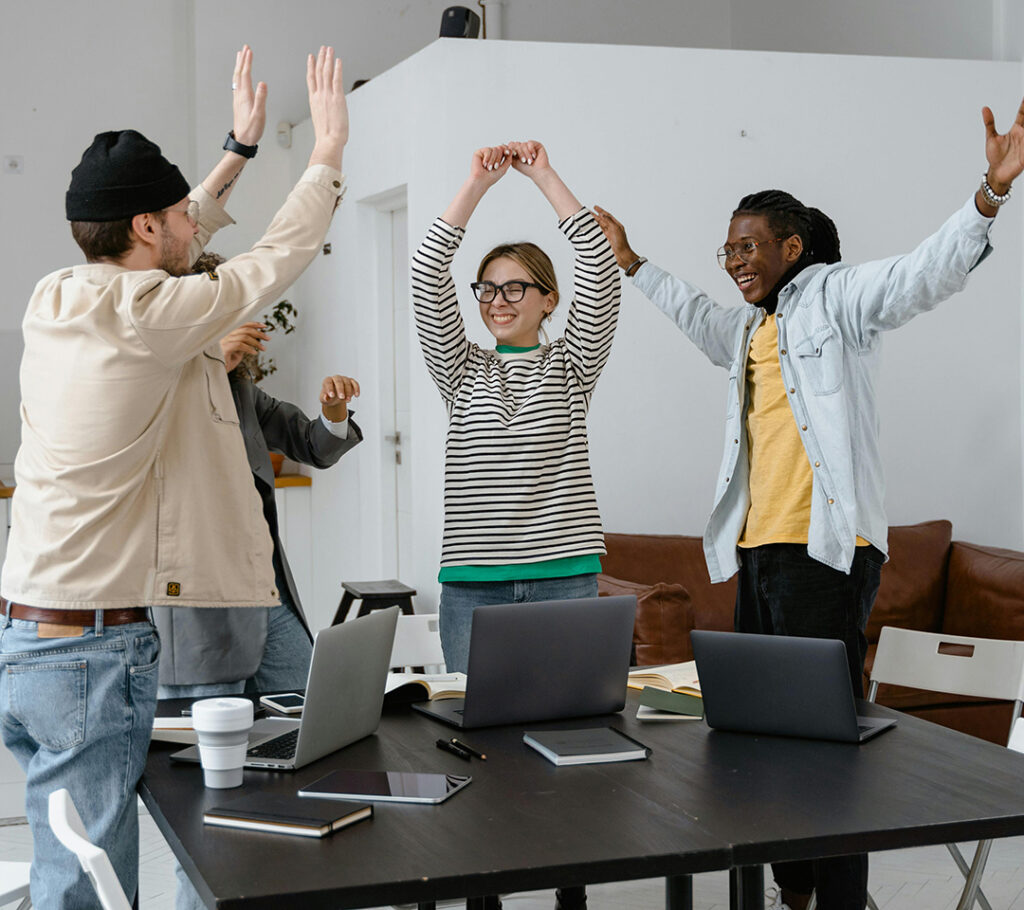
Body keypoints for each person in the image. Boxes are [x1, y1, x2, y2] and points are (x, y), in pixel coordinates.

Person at [593, 97, 1024, 910]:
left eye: (748, 246)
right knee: (760, 737)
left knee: (826, 745)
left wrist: (990, 193)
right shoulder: (752, 330)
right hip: (760, 553)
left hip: (825, 551)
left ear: (793, 246)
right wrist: (632, 260)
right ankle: (793, 891)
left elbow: (923, 274)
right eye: (726, 249)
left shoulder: (838, 299)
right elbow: (695, 316)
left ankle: (841, 898)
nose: (733, 260)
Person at [0, 45, 349, 909]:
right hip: (91, 650)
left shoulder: (54, 299)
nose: (194, 224)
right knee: (86, 887)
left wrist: (238, 147)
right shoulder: (152, 315)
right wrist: (327, 156)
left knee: (72, 864)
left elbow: (178, 226)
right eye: (174, 216)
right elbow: (275, 258)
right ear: (147, 229)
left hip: (25, 638)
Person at [411, 140, 620, 910]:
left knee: (567, 744)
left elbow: (600, 270)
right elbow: (426, 278)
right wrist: (474, 185)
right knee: (479, 755)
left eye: (515, 288)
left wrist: (541, 179)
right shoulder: (461, 369)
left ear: (547, 299)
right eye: (487, 290)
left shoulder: (572, 366)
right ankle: (483, 896)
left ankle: (571, 895)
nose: (496, 301)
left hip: (565, 579)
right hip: (474, 593)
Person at [154, 258, 363, 704]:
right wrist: (210, 363)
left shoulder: (243, 392)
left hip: (266, 593)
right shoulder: (156, 387)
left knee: (312, 709)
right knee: (206, 748)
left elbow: (311, 444)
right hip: (200, 609)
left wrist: (333, 413)